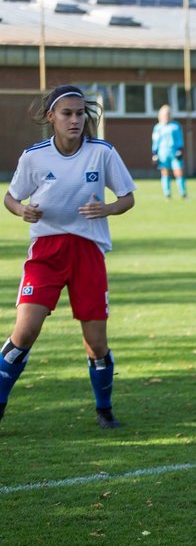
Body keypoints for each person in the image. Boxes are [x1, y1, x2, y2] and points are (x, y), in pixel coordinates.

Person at [0, 84, 137, 428]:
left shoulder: (102, 152)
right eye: (67, 114)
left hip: (87, 252)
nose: (75, 120)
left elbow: (127, 198)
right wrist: (22, 212)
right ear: (52, 118)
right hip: (46, 252)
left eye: (80, 114)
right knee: (24, 333)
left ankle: (104, 410)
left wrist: (106, 208)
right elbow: (11, 197)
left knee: (96, 344)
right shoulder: (34, 156)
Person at [151, 104, 188, 199]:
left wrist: (180, 150)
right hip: (162, 152)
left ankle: (183, 193)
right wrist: (154, 154)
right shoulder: (158, 127)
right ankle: (167, 194)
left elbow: (180, 139)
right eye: (164, 115)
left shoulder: (175, 126)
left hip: (174, 151)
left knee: (178, 172)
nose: (165, 116)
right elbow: (155, 141)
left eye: (167, 114)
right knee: (165, 173)